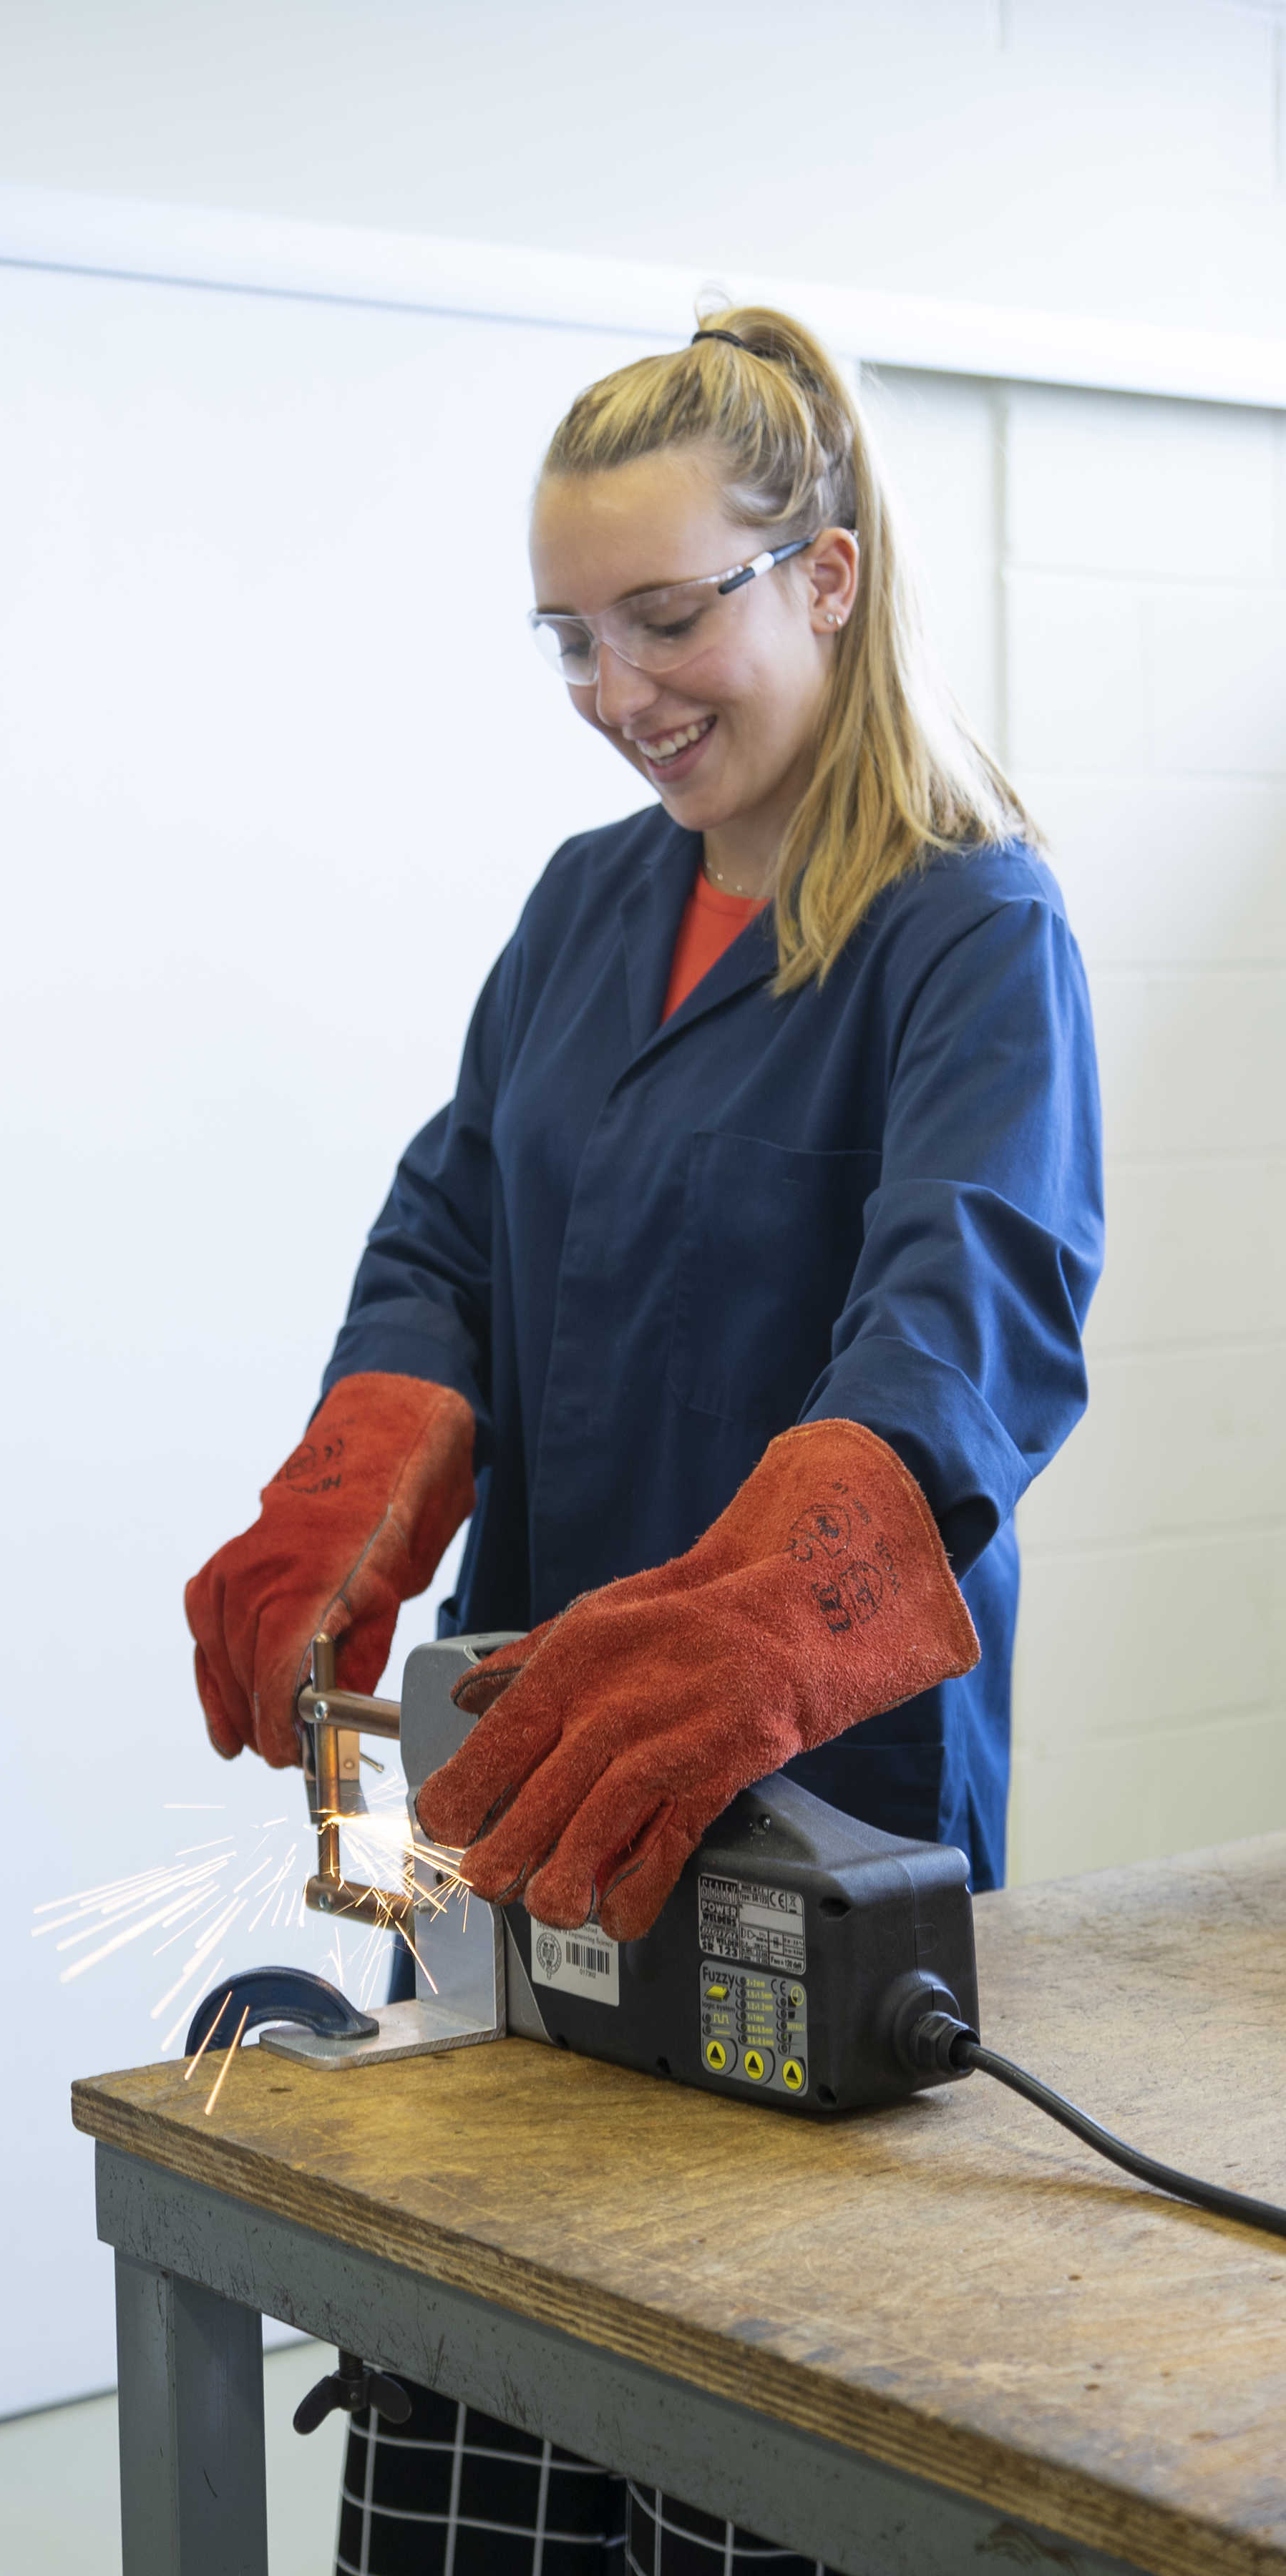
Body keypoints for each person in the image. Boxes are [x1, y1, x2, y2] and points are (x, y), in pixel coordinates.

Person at [186, 302, 1102, 2576]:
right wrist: (359, 1478)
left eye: (668, 619)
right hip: (517, 1776)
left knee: (756, 2429)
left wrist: (771, 1615)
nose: (619, 694)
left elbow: (969, 1305)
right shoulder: (589, 904)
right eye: (572, 640)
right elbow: (453, 1227)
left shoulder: (967, 926)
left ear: (829, 575)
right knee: (474, 2383)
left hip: (807, 1793)